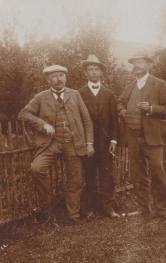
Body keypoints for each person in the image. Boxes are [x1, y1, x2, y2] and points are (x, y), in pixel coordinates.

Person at [18, 65, 94, 224]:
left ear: (66, 78)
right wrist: (43, 124)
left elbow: (86, 120)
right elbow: (23, 114)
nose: (59, 79)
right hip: (51, 143)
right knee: (36, 169)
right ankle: (49, 208)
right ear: (48, 79)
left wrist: (89, 143)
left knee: (75, 180)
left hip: (74, 143)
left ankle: (73, 215)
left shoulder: (75, 94)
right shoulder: (41, 97)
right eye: (54, 76)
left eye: (61, 75)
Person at [117, 49, 166, 222]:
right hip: (133, 136)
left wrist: (151, 108)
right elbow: (120, 101)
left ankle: (163, 210)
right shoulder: (129, 86)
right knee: (138, 174)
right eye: (134, 63)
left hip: (152, 136)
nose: (136, 65)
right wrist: (122, 111)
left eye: (140, 62)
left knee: (157, 172)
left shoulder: (159, 84)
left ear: (149, 64)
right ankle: (143, 208)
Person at [78, 55, 119, 219]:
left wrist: (114, 139)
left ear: (101, 72)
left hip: (106, 142)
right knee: (89, 174)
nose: (94, 72)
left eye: (96, 69)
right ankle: (91, 207)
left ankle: (108, 206)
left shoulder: (109, 94)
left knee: (107, 175)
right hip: (88, 143)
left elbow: (115, 119)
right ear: (86, 73)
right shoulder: (78, 93)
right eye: (90, 70)